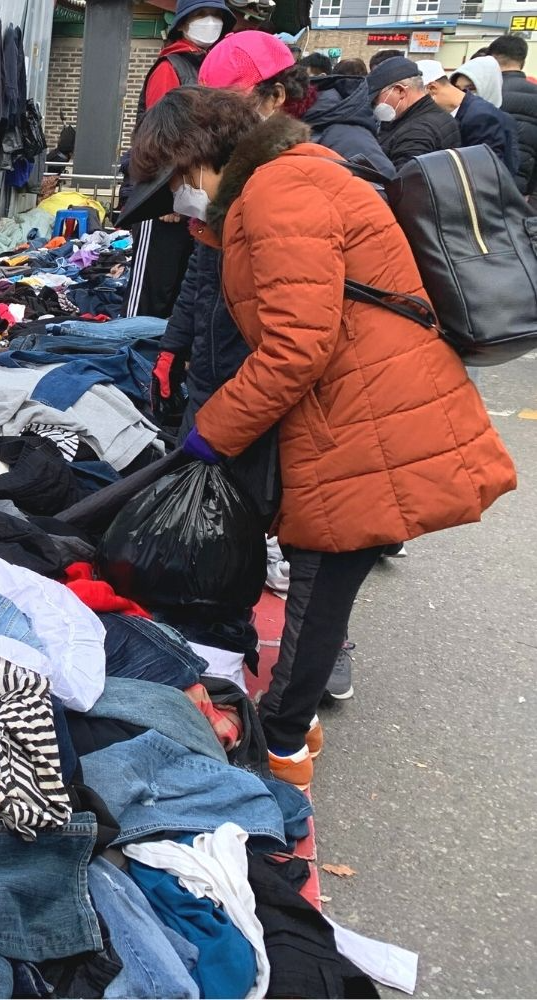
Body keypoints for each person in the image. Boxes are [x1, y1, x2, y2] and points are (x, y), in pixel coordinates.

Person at [128, 85, 517, 787]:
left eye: (178, 176)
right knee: (323, 572)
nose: (180, 193)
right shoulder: (282, 182)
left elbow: (295, 347)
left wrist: (211, 432)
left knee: (321, 574)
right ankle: (294, 726)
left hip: (366, 410)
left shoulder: (279, 194)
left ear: (197, 155)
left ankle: (280, 743)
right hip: (358, 400)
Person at [123, 0, 236, 320]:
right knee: (151, 291)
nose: (210, 22)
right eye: (202, 15)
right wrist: (165, 196)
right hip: (164, 197)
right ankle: (130, 356)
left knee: (181, 290)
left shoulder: (209, 67)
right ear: (183, 22)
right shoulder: (170, 67)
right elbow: (160, 135)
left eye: (216, 16)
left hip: (197, 195)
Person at [426, 57, 523, 178]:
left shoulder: (482, 117)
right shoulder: (455, 113)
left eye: (470, 88)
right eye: (457, 87)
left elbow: (487, 171)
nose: (461, 92)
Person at [367, 55, 460, 168]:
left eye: (376, 99)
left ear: (399, 90)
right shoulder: (442, 116)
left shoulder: (415, 133)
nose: (375, 105)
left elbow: (403, 181)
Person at [488, 34, 537, 199]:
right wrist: (529, 190)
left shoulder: (488, 93)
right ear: (522, 61)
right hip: (522, 186)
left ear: (492, 59)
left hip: (488, 180)